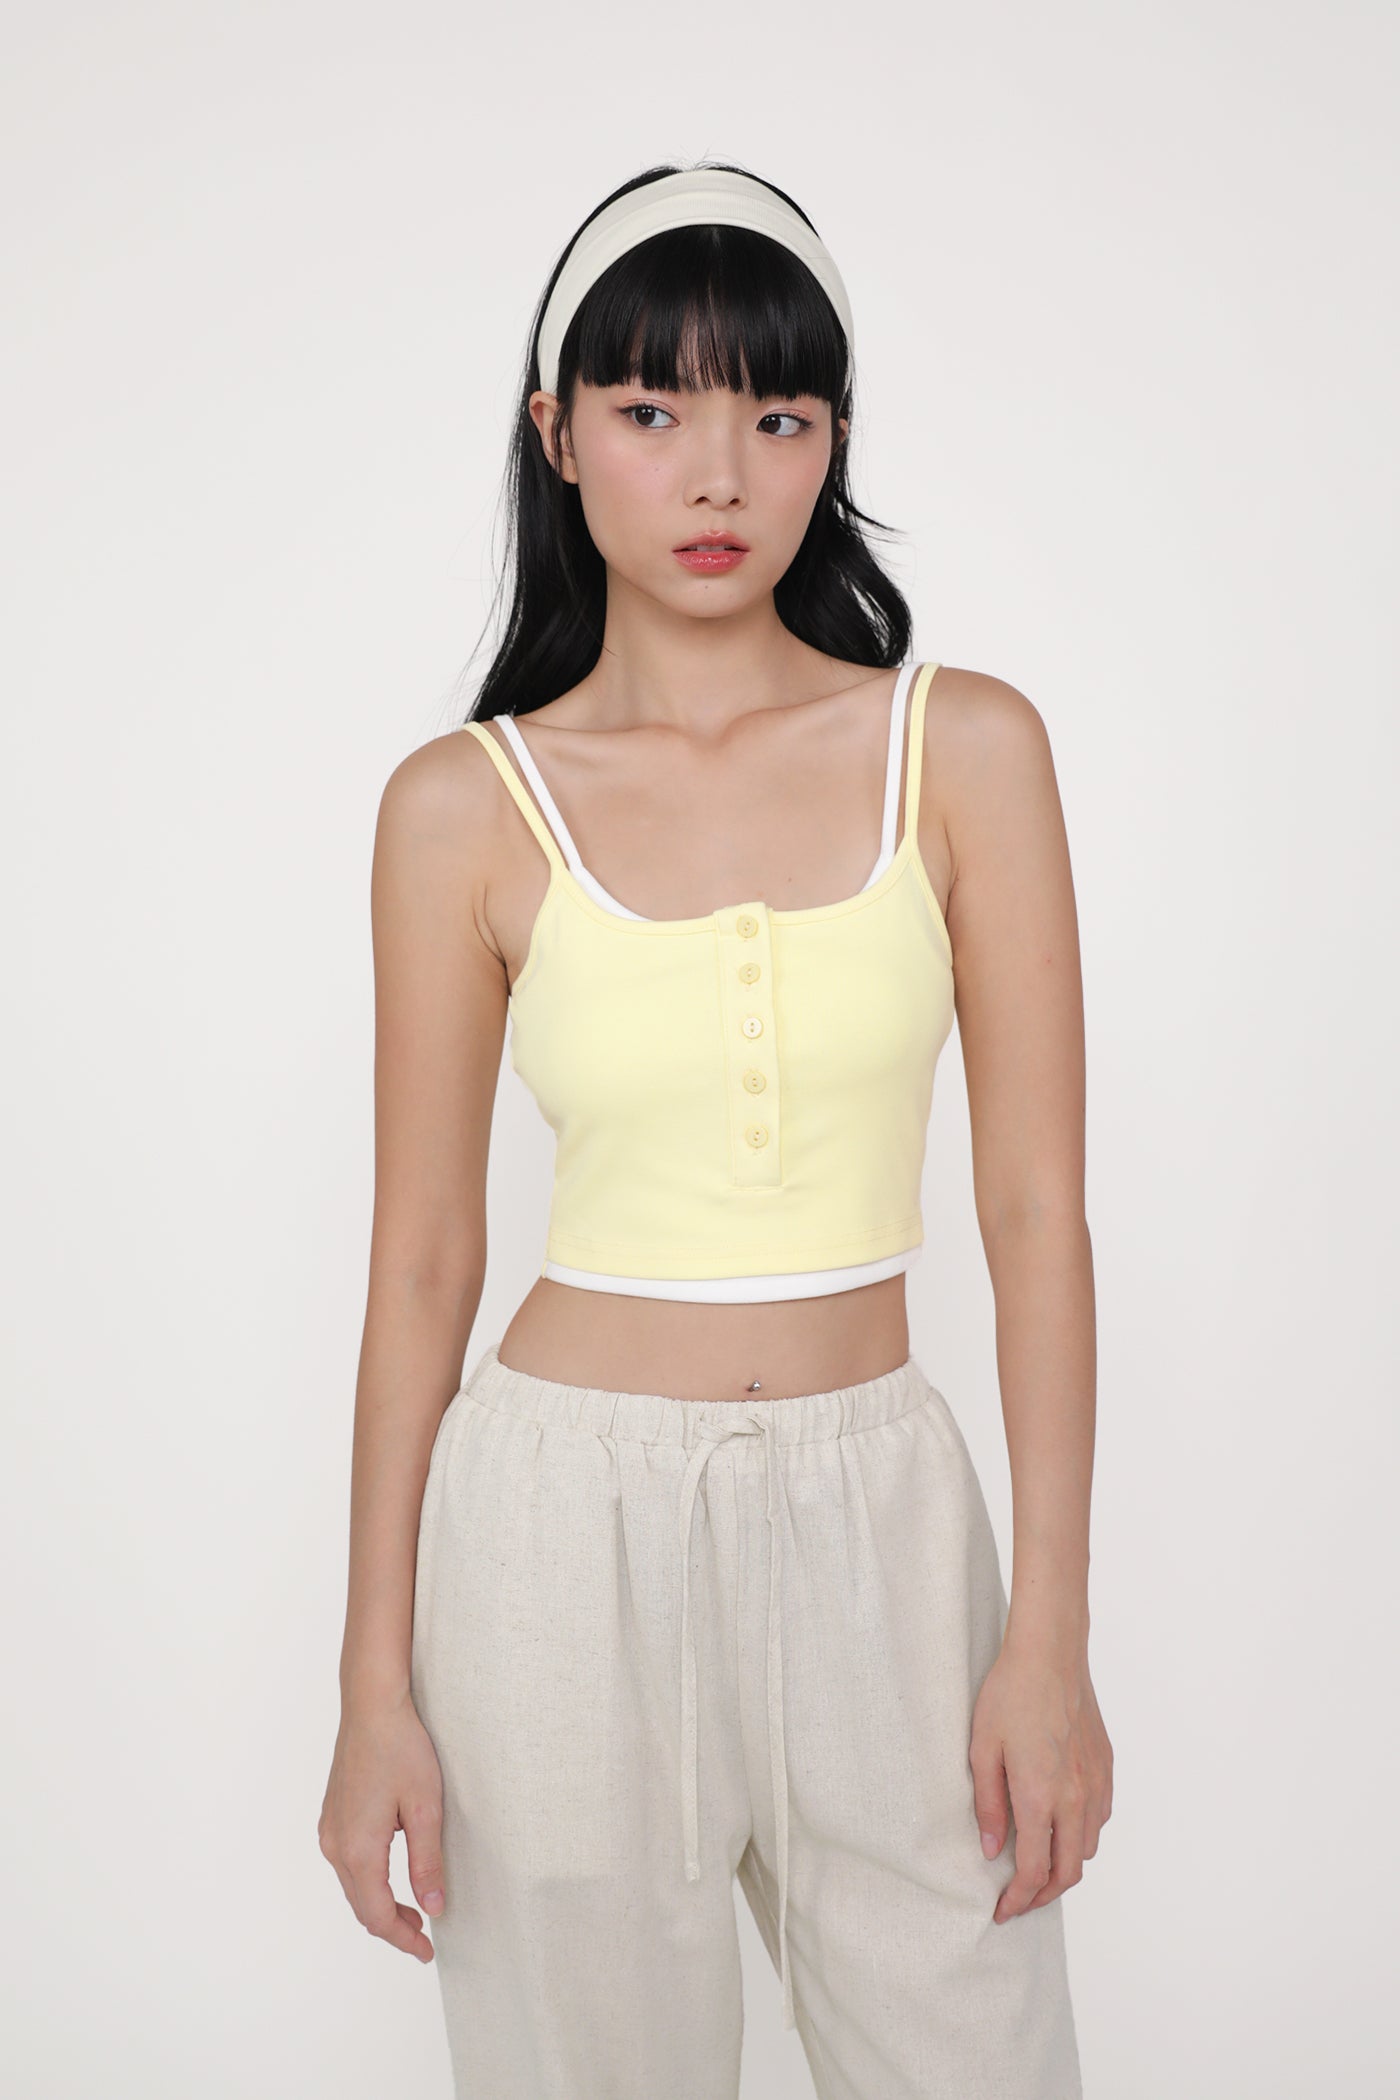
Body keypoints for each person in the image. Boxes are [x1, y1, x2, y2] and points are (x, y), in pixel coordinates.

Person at [319, 158, 1110, 2100]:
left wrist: (1051, 1640)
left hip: (887, 1519)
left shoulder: (964, 750)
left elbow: (1035, 1214)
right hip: (552, 1543)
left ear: (832, 440)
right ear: (556, 434)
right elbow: (422, 1261)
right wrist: (371, 1689)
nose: (719, 475)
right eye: (650, 409)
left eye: (778, 415)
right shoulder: (460, 808)